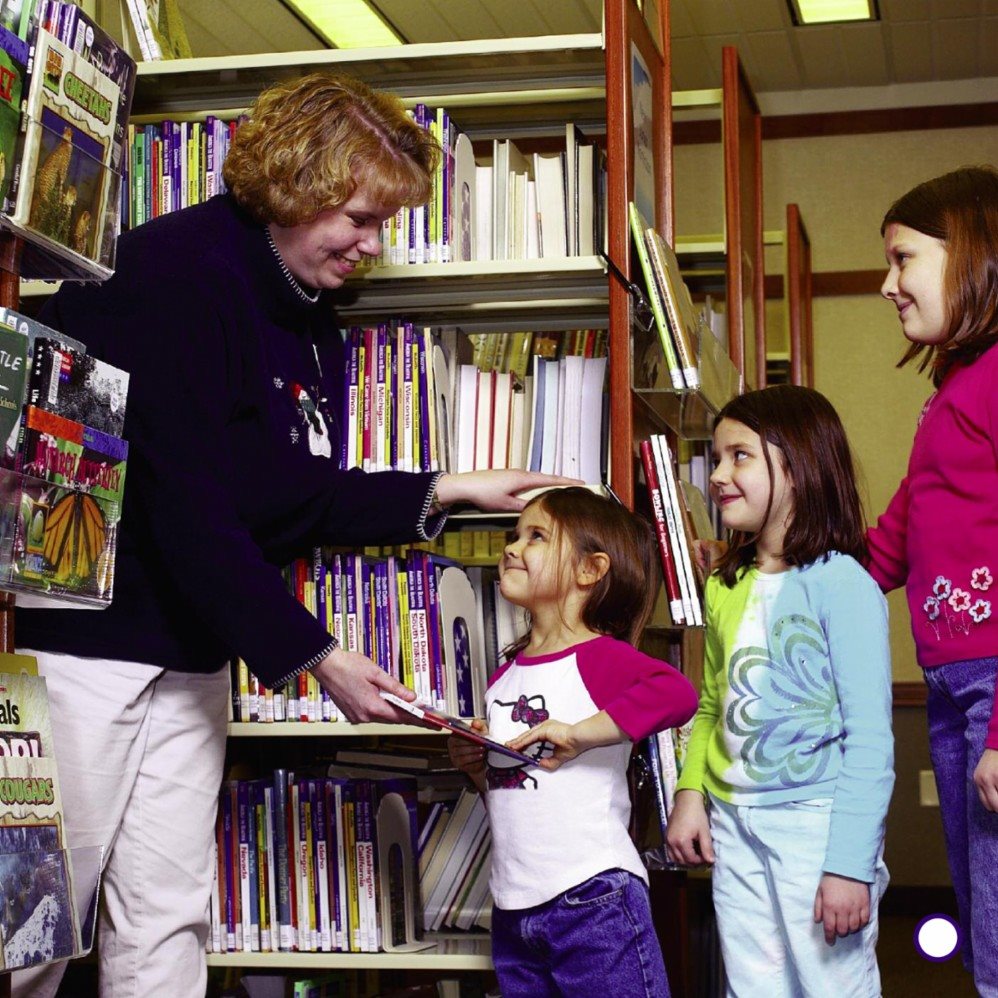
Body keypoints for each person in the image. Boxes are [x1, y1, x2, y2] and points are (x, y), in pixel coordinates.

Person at [11, 72, 575, 998]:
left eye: (382, 222)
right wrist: (317, 653)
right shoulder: (174, 273)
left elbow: (285, 496)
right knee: (41, 911)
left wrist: (446, 487)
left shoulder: (312, 314)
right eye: (356, 217)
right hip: (88, 639)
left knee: (167, 912)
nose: (370, 243)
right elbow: (181, 499)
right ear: (294, 187)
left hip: (192, 650)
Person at [666, 385, 894, 997]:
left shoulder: (843, 585)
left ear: (798, 465)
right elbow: (712, 703)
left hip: (815, 826)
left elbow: (870, 739)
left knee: (831, 986)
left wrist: (847, 864)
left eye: (738, 456)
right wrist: (691, 793)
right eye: (715, 458)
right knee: (753, 987)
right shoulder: (724, 583)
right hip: (735, 825)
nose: (717, 475)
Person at [448, 486, 698, 997]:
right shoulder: (503, 678)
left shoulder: (599, 658)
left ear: (589, 570)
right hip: (514, 909)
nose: (512, 547)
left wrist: (580, 735)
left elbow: (677, 694)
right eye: (515, 535)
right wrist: (474, 766)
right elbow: (513, 787)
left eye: (536, 536)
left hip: (593, 897)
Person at [868, 166, 998, 995]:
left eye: (902, 258)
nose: (887, 284)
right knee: (982, 910)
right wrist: (772, 562)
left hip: (991, 687)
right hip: (952, 685)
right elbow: (897, 538)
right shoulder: (951, 391)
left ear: (971, 256)